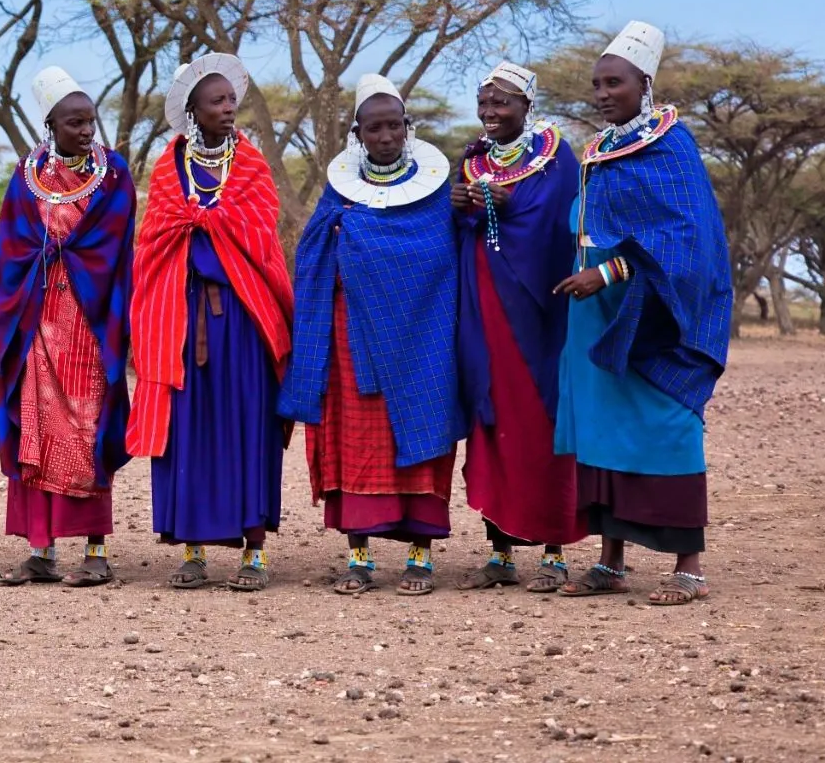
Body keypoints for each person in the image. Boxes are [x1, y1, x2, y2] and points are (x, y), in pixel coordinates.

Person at [552, 22, 732, 606]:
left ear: (644, 82)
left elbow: (686, 238)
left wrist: (607, 272)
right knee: (601, 428)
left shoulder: (671, 145)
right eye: (597, 84)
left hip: (653, 310)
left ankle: (689, 567)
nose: (603, 93)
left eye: (615, 83)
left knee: (667, 424)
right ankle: (610, 561)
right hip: (594, 312)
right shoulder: (600, 150)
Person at [279, 74, 462, 596]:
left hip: (421, 339)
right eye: (374, 128)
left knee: (421, 437)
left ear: (409, 128)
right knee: (353, 440)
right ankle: (358, 555)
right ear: (357, 134)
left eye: (394, 127)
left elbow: (441, 257)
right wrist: (349, 238)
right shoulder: (339, 193)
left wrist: (363, 242)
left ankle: (419, 559)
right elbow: (314, 252)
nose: (385, 137)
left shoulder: (435, 194)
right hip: (348, 336)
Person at [126, 56, 294, 591]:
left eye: (230, 99)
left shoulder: (251, 165)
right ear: (192, 110)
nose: (228, 108)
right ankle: (193, 549)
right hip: (180, 317)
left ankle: (255, 552)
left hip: (242, 320)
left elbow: (262, 232)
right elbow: (153, 239)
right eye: (216, 101)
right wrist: (197, 228)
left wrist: (209, 225)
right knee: (188, 431)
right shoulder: (166, 167)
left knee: (248, 425)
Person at [0, 67, 136, 588]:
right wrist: (37, 263)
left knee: (87, 427)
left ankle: (96, 550)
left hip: (90, 322)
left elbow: (115, 247)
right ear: (50, 124)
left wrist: (68, 255)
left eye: (90, 121)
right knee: (37, 429)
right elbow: (9, 247)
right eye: (74, 123)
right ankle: (41, 550)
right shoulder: (26, 176)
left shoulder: (113, 175)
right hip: (34, 320)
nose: (86, 131)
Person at [449, 62, 586, 591]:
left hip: (539, 315)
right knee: (492, 422)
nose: (490, 113)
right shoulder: (473, 158)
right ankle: (501, 550)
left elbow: (558, 224)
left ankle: (554, 552)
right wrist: (461, 204)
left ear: (527, 105)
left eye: (502, 102)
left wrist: (506, 208)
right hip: (484, 309)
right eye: (484, 103)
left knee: (544, 425)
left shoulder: (555, 158)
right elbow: (463, 226)